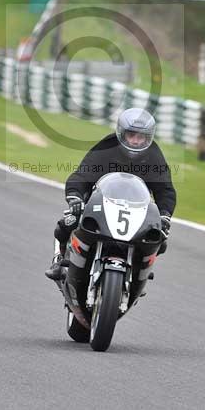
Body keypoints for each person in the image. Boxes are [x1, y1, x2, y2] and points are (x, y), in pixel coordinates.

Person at [45, 107, 176, 280]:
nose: (136, 141)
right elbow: (82, 174)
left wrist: (165, 215)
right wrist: (75, 197)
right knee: (68, 222)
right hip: (101, 202)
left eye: (141, 137)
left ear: (149, 137)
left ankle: (139, 274)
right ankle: (58, 261)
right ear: (122, 133)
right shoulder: (107, 147)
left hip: (137, 209)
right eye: (132, 135)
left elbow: (165, 190)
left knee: (160, 239)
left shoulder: (154, 156)